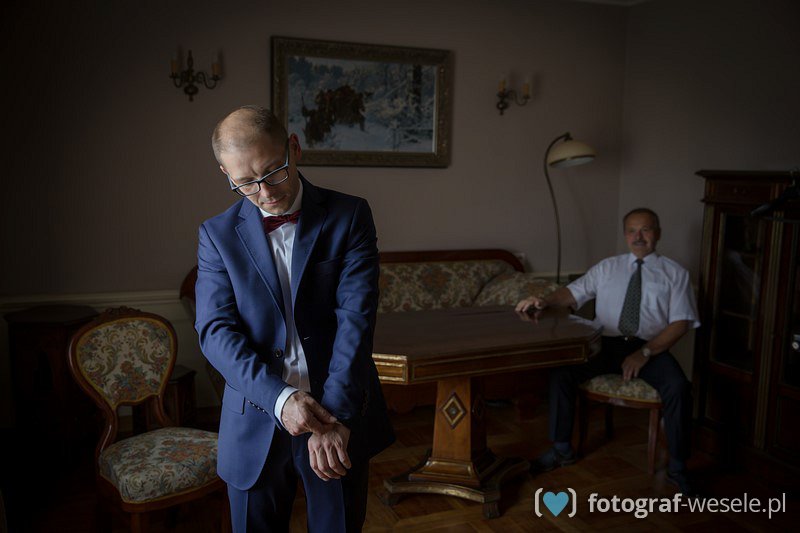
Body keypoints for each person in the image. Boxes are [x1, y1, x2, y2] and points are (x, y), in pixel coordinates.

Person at [195, 105, 394, 532]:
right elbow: (215, 332)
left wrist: (336, 419)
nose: (265, 193)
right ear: (226, 174)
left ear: (294, 148)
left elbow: (355, 321)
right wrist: (281, 400)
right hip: (254, 417)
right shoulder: (216, 234)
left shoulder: (350, 215)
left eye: (273, 172)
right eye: (246, 183)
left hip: (337, 415)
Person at [516, 208, 699, 495]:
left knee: (678, 387)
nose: (638, 237)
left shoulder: (675, 274)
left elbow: (681, 323)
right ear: (625, 235)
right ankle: (562, 450)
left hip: (649, 348)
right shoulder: (607, 267)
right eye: (632, 231)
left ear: (658, 233)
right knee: (562, 373)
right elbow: (572, 293)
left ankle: (678, 467)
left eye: (646, 230)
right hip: (604, 344)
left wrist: (644, 353)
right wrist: (544, 301)